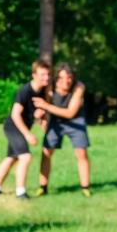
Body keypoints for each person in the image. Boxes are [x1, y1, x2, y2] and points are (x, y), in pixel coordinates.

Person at [0, 60, 51, 199]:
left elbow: (37, 113)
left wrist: (41, 119)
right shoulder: (25, 91)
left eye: (48, 74)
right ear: (34, 75)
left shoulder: (42, 91)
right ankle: (20, 192)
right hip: (13, 127)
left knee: (11, 158)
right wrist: (28, 134)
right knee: (25, 157)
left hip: (21, 128)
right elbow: (15, 114)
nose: (46, 77)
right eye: (42, 74)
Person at [34, 63, 91, 197]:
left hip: (76, 120)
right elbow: (44, 105)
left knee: (81, 153)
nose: (66, 81)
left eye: (69, 77)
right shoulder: (50, 86)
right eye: (61, 78)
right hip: (55, 120)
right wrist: (42, 117)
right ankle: (43, 187)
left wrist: (46, 106)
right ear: (56, 78)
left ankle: (85, 187)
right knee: (46, 152)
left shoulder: (79, 87)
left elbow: (70, 113)